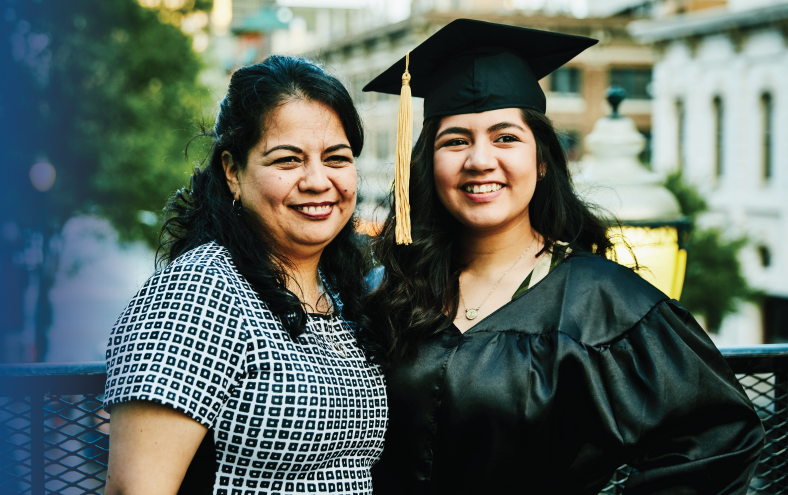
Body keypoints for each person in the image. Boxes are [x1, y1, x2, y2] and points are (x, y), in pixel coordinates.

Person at [359, 19, 763, 495]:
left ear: (543, 160)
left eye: (506, 137)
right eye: (456, 140)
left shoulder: (606, 304)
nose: (480, 159)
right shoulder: (386, 291)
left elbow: (720, 437)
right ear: (429, 162)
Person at [102, 55, 385, 495]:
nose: (318, 180)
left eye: (337, 158)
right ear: (233, 172)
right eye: (288, 160)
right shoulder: (198, 292)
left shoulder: (341, 294)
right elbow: (135, 489)